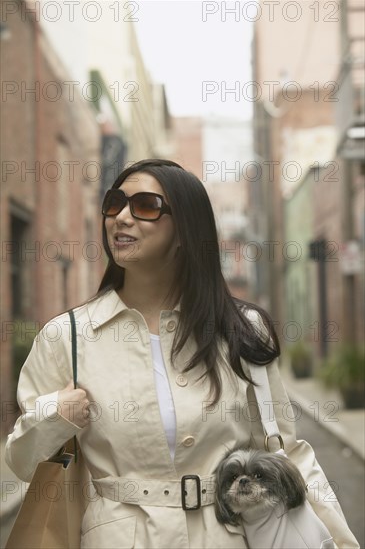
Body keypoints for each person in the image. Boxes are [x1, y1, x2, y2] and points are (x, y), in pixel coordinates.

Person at [5, 159, 359, 549]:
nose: (121, 217)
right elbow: (22, 463)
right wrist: (56, 416)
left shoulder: (241, 329)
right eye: (114, 203)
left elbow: (285, 451)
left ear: (185, 230)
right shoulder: (67, 337)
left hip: (227, 535)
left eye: (145, 206)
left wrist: (340, 542)